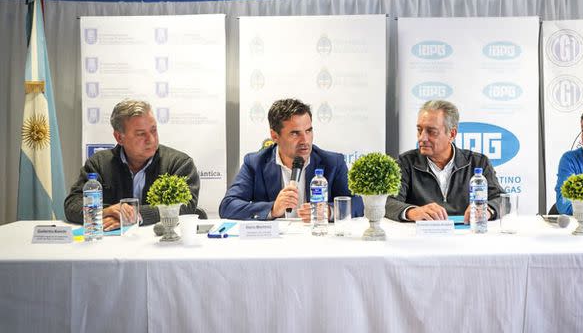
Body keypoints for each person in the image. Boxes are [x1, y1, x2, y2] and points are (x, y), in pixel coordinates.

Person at [64, 99, 201, 230]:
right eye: (141, 134)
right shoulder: (99, 163)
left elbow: (185, 206)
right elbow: (72, 205)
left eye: (153, 130)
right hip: (112, 246)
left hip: (159, 243)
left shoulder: (179, 163)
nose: (151, 139)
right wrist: (105, 211)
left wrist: (134, 215)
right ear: (119, 137)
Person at [219, 98, 362, 220]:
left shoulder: (333, 163)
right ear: (275, 136)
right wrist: (273, 209)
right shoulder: (255, 163)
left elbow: (357, 204)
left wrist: (329, 211)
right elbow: (228, 206)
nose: (305, 140)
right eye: (295, 133)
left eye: (308, 131)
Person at [385, 100, 502, 222]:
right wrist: (412, 211)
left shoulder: (478, 162)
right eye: (419, 130)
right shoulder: (405, 163)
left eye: (432, 132)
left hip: (467, 236)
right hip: (422, 238)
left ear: (452, 134)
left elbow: (502, 199)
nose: (422, 138)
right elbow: (387, 202)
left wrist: (486, 210)